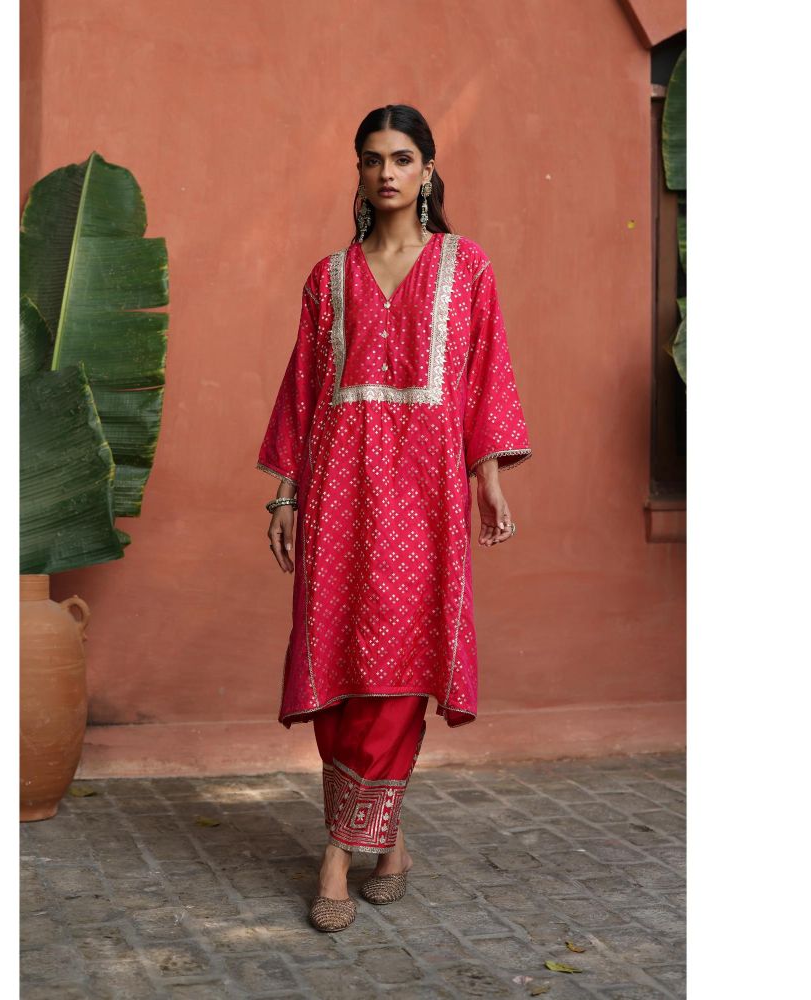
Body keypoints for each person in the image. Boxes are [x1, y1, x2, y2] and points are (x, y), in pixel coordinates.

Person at [256, 104, 532, 932]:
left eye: (402, 158)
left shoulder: (465, 266)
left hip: (426, 494)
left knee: (399, 664)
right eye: (373, 159)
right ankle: (388, 838)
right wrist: (285, 494)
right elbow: (304, 393)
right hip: (339, 490)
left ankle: (338, 853)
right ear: (360, 171)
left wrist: (488, 478)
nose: (387, 172)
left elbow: (485, 372)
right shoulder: (329, 278)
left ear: (427, 170)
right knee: (338, 665)